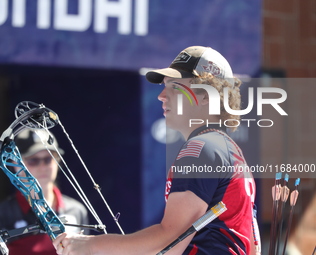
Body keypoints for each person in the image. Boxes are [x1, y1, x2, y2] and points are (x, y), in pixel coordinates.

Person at [52, 46, 260, 255]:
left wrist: (88, 246)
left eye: (175, 86)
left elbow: (169, 241)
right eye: (164, 86)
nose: (161, 95)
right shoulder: (225, 148)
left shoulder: (202, 149)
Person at [0, 129, 89, 255]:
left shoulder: (76, 210)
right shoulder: (1, 215)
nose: (42, 167)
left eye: (48, 159)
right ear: (15, 163)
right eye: (33, 160)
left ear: (57, 160)